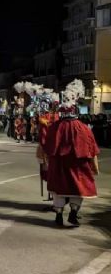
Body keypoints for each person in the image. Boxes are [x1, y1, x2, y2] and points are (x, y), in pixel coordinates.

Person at [45, 80, 100, 227]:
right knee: (78, 190)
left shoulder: (55, 127)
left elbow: (48, 148)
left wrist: (47, 163)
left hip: (59, 165)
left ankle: (58, 215)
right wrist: (95, 167)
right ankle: (73, 214)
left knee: (58, 190)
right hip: (78, 165)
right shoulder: (84, 128)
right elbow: (92, 150)